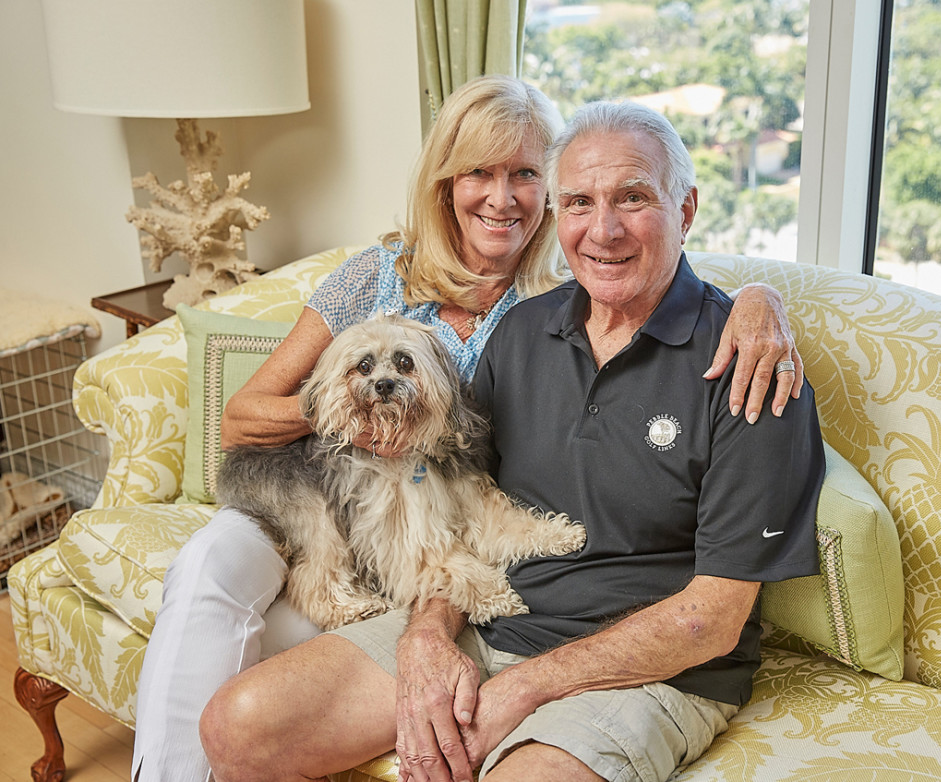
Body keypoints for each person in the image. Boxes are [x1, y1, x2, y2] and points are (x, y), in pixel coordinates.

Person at [132, 76, 803, 782]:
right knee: (237, 723)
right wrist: (428, 632)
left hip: (638, 664)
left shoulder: (745, 361)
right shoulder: (513, 326)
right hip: (402, 557)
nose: (601, 229)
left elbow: (712, 619)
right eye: (580, 201)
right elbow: (467, 499)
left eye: (632, 198)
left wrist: (761, 297)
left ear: (686, 208)